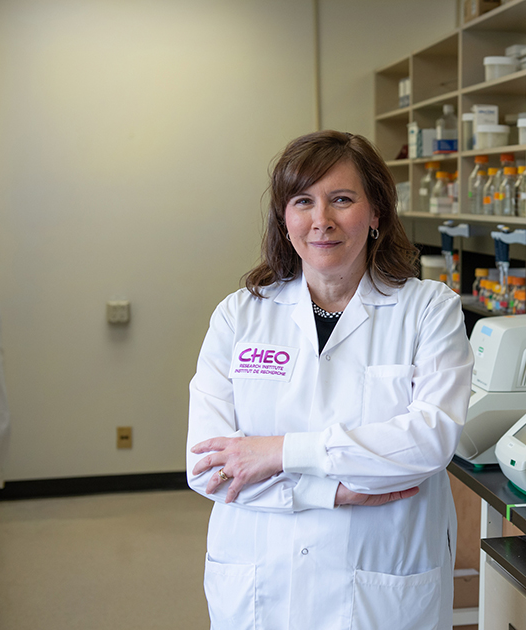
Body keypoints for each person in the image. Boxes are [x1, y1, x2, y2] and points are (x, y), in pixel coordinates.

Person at [186, 130, 473, 630]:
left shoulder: (429, 309)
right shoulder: (239, 317)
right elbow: (209, 468)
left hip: (381, 583)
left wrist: (278, 453)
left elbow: (428, 443)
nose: (322, 220)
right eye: (303, 201)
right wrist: (332, 492)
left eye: (342, 199)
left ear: (376, 212)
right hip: (261, 582)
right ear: (285, 217)